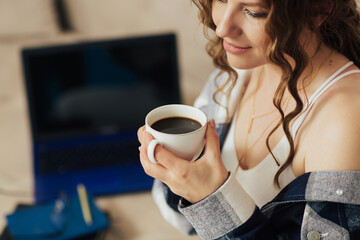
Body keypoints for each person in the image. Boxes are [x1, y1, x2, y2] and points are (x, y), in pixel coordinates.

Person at [138, 0, 360, 239]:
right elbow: (185, 221)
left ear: (319, 10)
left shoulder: (344, 119)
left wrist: (210, 198)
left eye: (254, 12)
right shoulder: (235, 74)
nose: (222, 28)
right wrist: (179, 175)